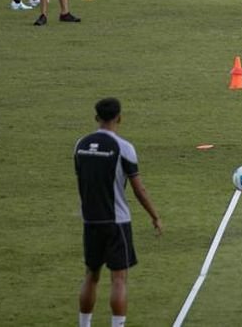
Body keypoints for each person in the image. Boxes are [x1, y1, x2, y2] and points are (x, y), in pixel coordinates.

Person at [74, 97, 163, 327]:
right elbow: (138, 189)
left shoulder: (81, 145)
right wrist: (154, 215)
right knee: (119, 279)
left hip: (90, 221)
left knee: (91, 276)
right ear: (119, 118)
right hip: (117, 222)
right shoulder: (124, 148)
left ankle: (84, 324)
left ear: (96, 118)